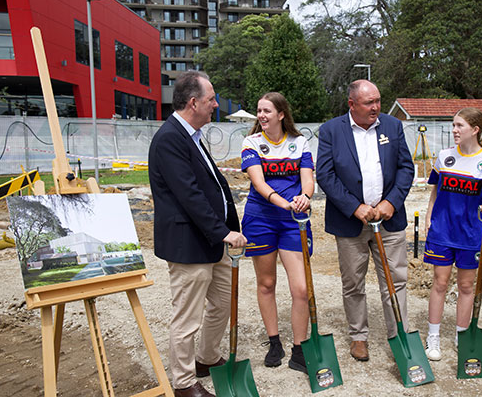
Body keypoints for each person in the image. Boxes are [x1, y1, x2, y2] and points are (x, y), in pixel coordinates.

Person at [148, 71, 247, 397]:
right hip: (189, 243)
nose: (215, 105)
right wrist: (223, 232)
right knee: (187, 317)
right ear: (193, 102)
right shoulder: (169, 139)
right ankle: (184, 383)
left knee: (221, 302)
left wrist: (229, 228)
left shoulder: (191, 135)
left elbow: (213, 186)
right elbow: (188, 194)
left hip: (212, 239)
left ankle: (205, 358)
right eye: (210, 100)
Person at [316, 80, 414, 361]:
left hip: (389, 221)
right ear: (352, 104)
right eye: (369, 102)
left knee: (396, 281)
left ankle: (400, 335)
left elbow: (406, 168)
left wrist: (391, 202)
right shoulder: (332, 131)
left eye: (378, 101)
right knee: (353, 283)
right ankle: (358, 336)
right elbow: (325, 174)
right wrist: (354, 206)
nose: (376, 107)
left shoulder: (392, 127)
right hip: (351, 223)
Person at [423, 107, 482, 361]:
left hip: (472, 234)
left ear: (475, 130)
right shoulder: (445, 156)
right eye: (453, 125)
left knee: (466, 286)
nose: (454, 130)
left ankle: (462, 335)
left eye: (459, 126)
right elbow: (435, 192)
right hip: (442, 230)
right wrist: (429, 217)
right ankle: (433, 337)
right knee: (439, 283)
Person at [240, 92, 314, 374]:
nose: (261, 115)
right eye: (259, 110)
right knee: (267, 283)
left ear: (281, 114)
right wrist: (283, 202)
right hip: (261, 219)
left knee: (301, 287)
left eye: (267, 111)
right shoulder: (252, 143)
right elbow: (258, 183)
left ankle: (299, 348)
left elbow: (308, 180)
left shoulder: (299, 143)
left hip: (294, 221)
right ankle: (274, 342)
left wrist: (304, 197)